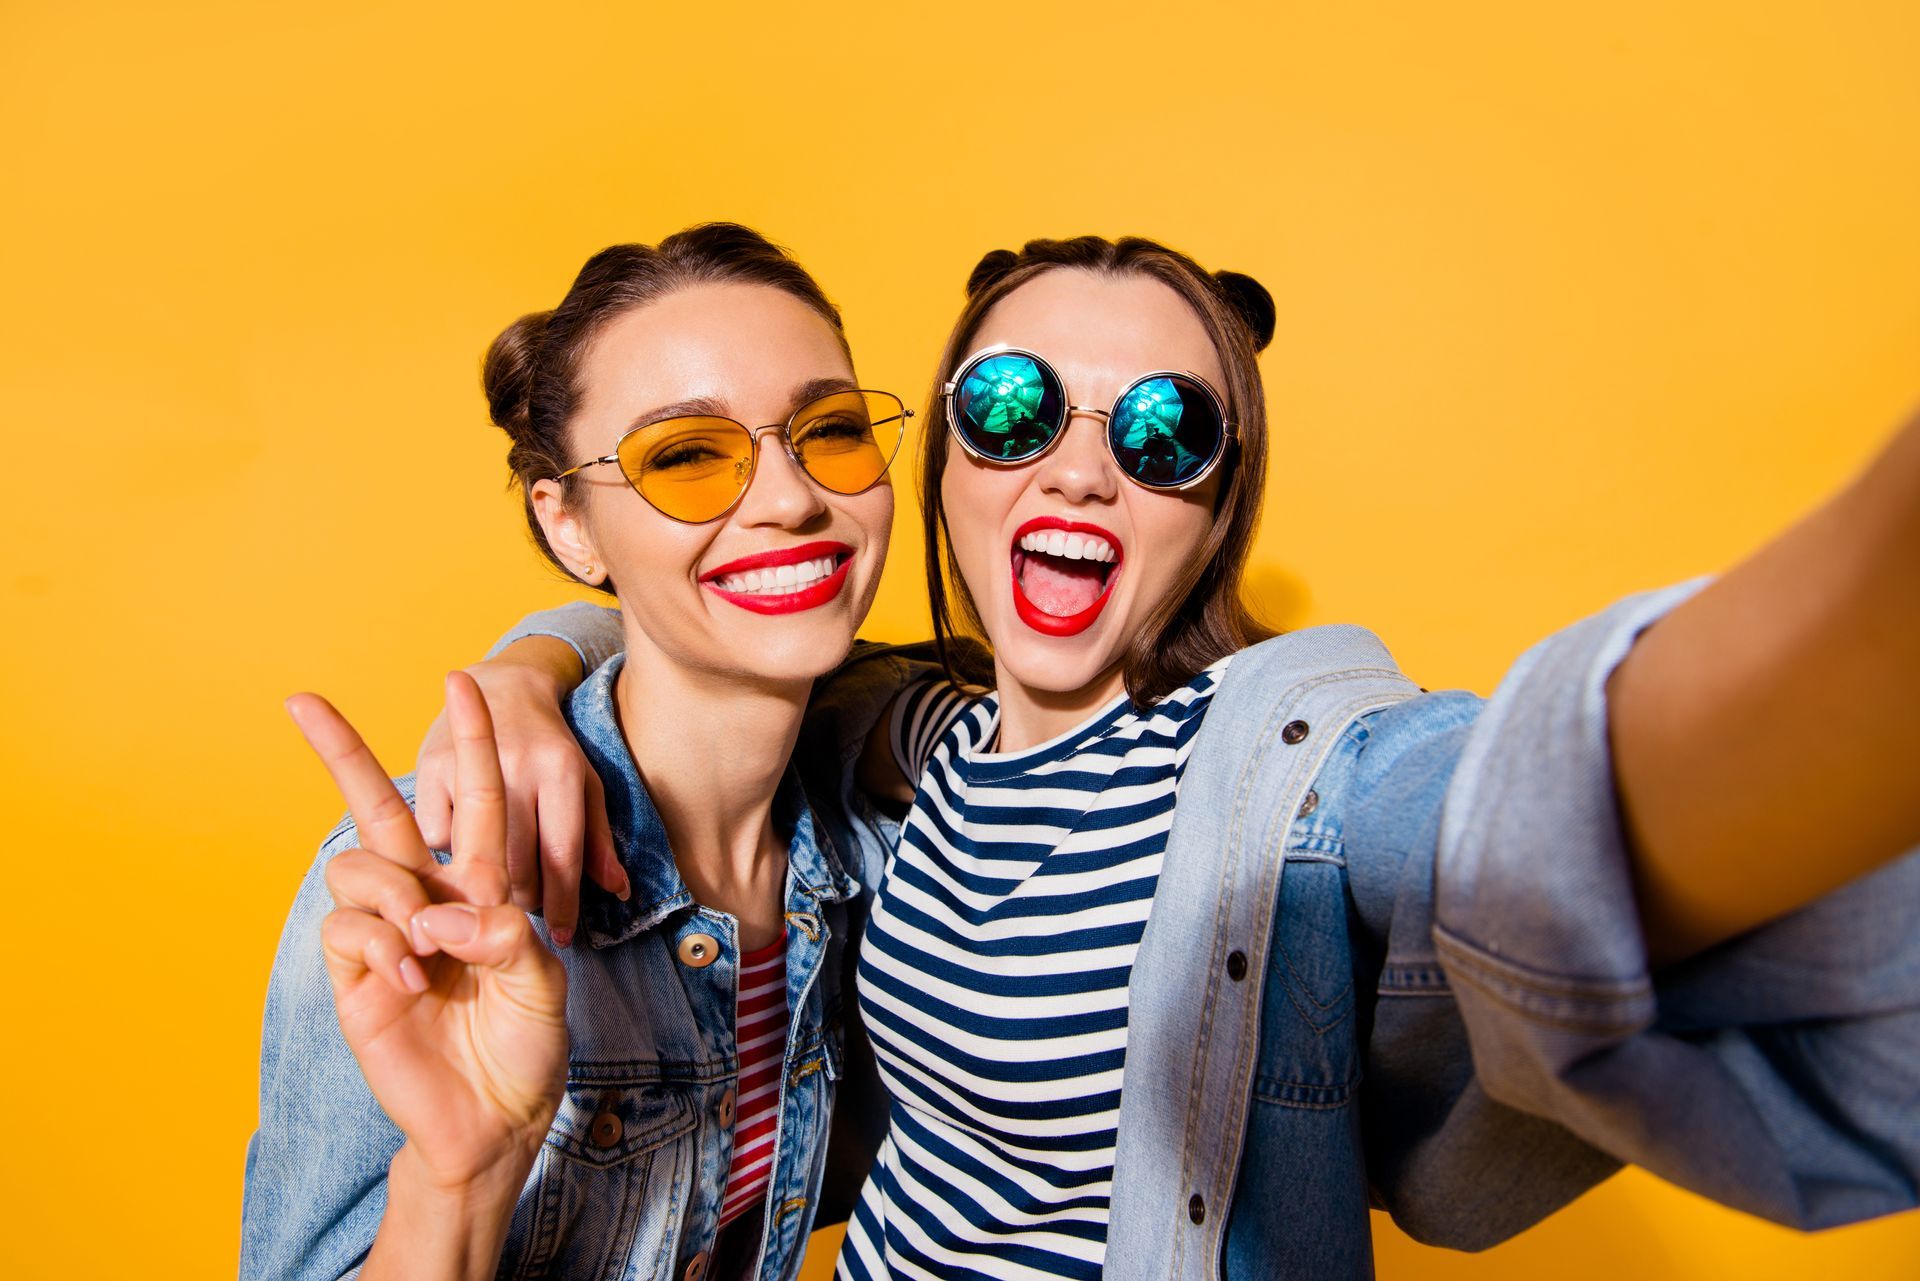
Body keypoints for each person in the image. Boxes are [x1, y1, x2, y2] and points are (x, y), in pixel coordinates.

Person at [425, 235, 1920, 1280]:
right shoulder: (915, 742)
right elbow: (697, 609)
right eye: (1011, 410)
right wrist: (531, 669)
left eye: (1161, 433)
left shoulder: (1275, 786)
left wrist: (1869, 614)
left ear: (1217, 511)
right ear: (944, 465)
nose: (1079, 468)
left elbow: (1508, 809)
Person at [242, 223, 923, 1281]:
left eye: (828, 429)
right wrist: (458, 1182)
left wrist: (538, 657)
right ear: (568, 528)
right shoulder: (445, 879)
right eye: (686, 456)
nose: (792, 498)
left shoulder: (884, 852)